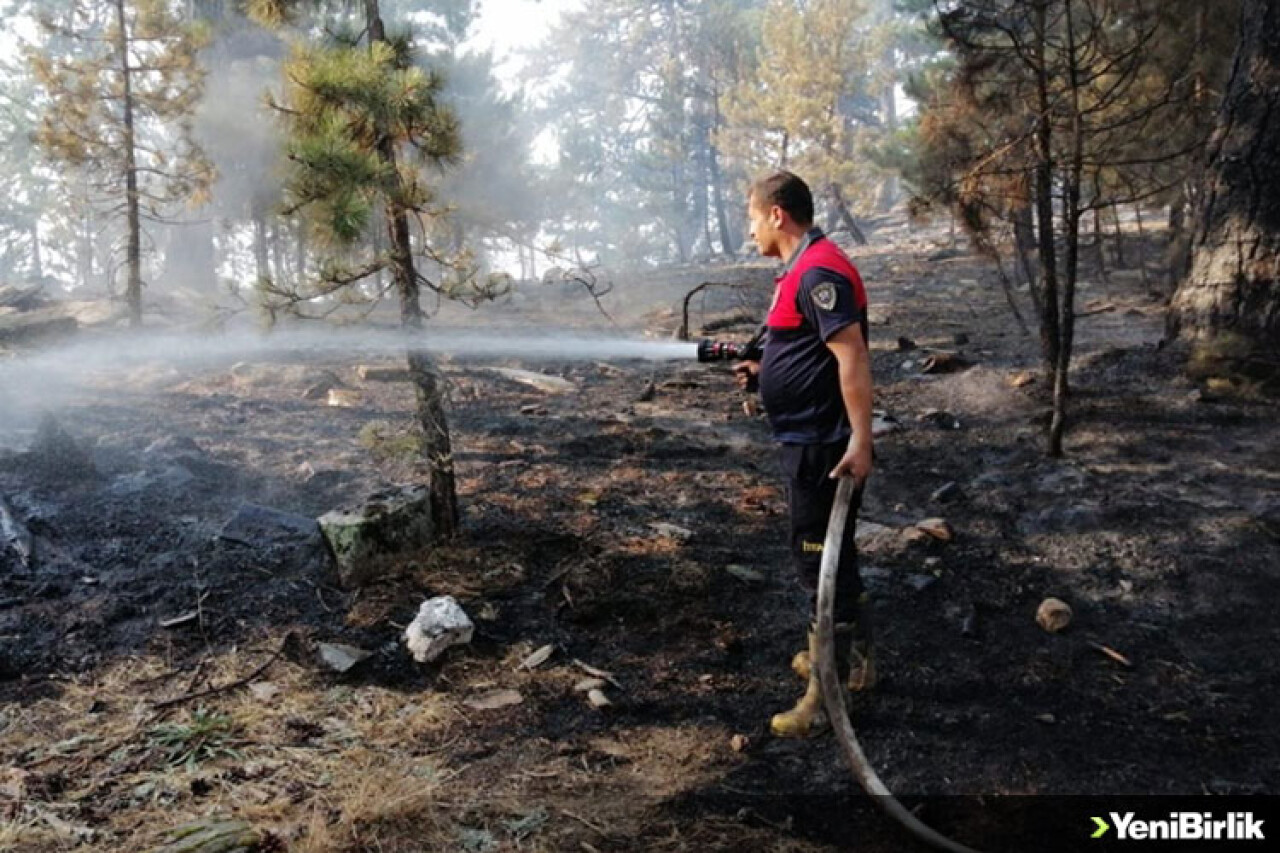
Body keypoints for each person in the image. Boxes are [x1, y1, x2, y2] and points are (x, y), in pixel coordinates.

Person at [734, 170, 876, 738]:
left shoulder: (820, 271)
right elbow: (804, 348)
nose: (749, 232)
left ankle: (825, 689)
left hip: (825, 445)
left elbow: (853, 358)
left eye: (751, 218)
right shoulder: (799, 270)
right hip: (807, 437)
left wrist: (860, 440)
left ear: (776, 214)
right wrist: (764, 371)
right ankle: (859, 663)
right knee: (834, 555)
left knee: (817, 558)